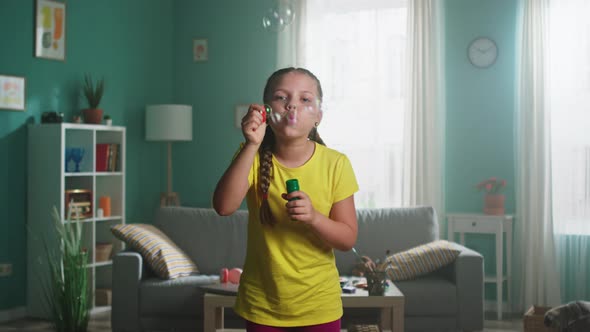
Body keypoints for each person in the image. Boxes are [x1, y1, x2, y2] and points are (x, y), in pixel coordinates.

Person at [213, 67, 359, 332]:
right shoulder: (252, 155)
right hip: (262, 306)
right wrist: (251, 144)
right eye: (282, 97)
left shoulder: (336, 164)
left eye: (305, 99)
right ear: (266, 111)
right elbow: (223, 207)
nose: (292, 104)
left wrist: (314, 218)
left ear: (318, 116)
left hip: (319, 306)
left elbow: (348, 239)